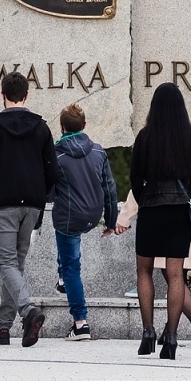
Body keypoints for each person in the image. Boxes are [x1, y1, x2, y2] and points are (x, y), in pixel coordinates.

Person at [113, 83, 191, 360]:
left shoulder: (144, 137)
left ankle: (147, 333)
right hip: (179, 212)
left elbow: (135, 178)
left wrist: (144, 201)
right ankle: (172, 337)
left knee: (144, 271)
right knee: (176, 274)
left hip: (152, 210)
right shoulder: (190, 138)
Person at [0, 71, 56, 348]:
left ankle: (28, 310)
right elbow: (53, 169)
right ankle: (1, 329)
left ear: (2, 95)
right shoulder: (41, 127)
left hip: (2, 202)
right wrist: (41, 197)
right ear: (26, 96)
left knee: (6, 263)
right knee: (14, 265)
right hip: (31, 204)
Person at [50, 103, 119, 341]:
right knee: (68, 255)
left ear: (61, 127)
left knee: (71, 266)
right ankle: (61, 281)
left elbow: (47, 190)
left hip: (68, 217)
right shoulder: (99, 151)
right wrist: (110, 222)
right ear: (85, 126)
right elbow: (110, 189)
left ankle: (80, 324)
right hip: (92, 215)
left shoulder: (56, 154)